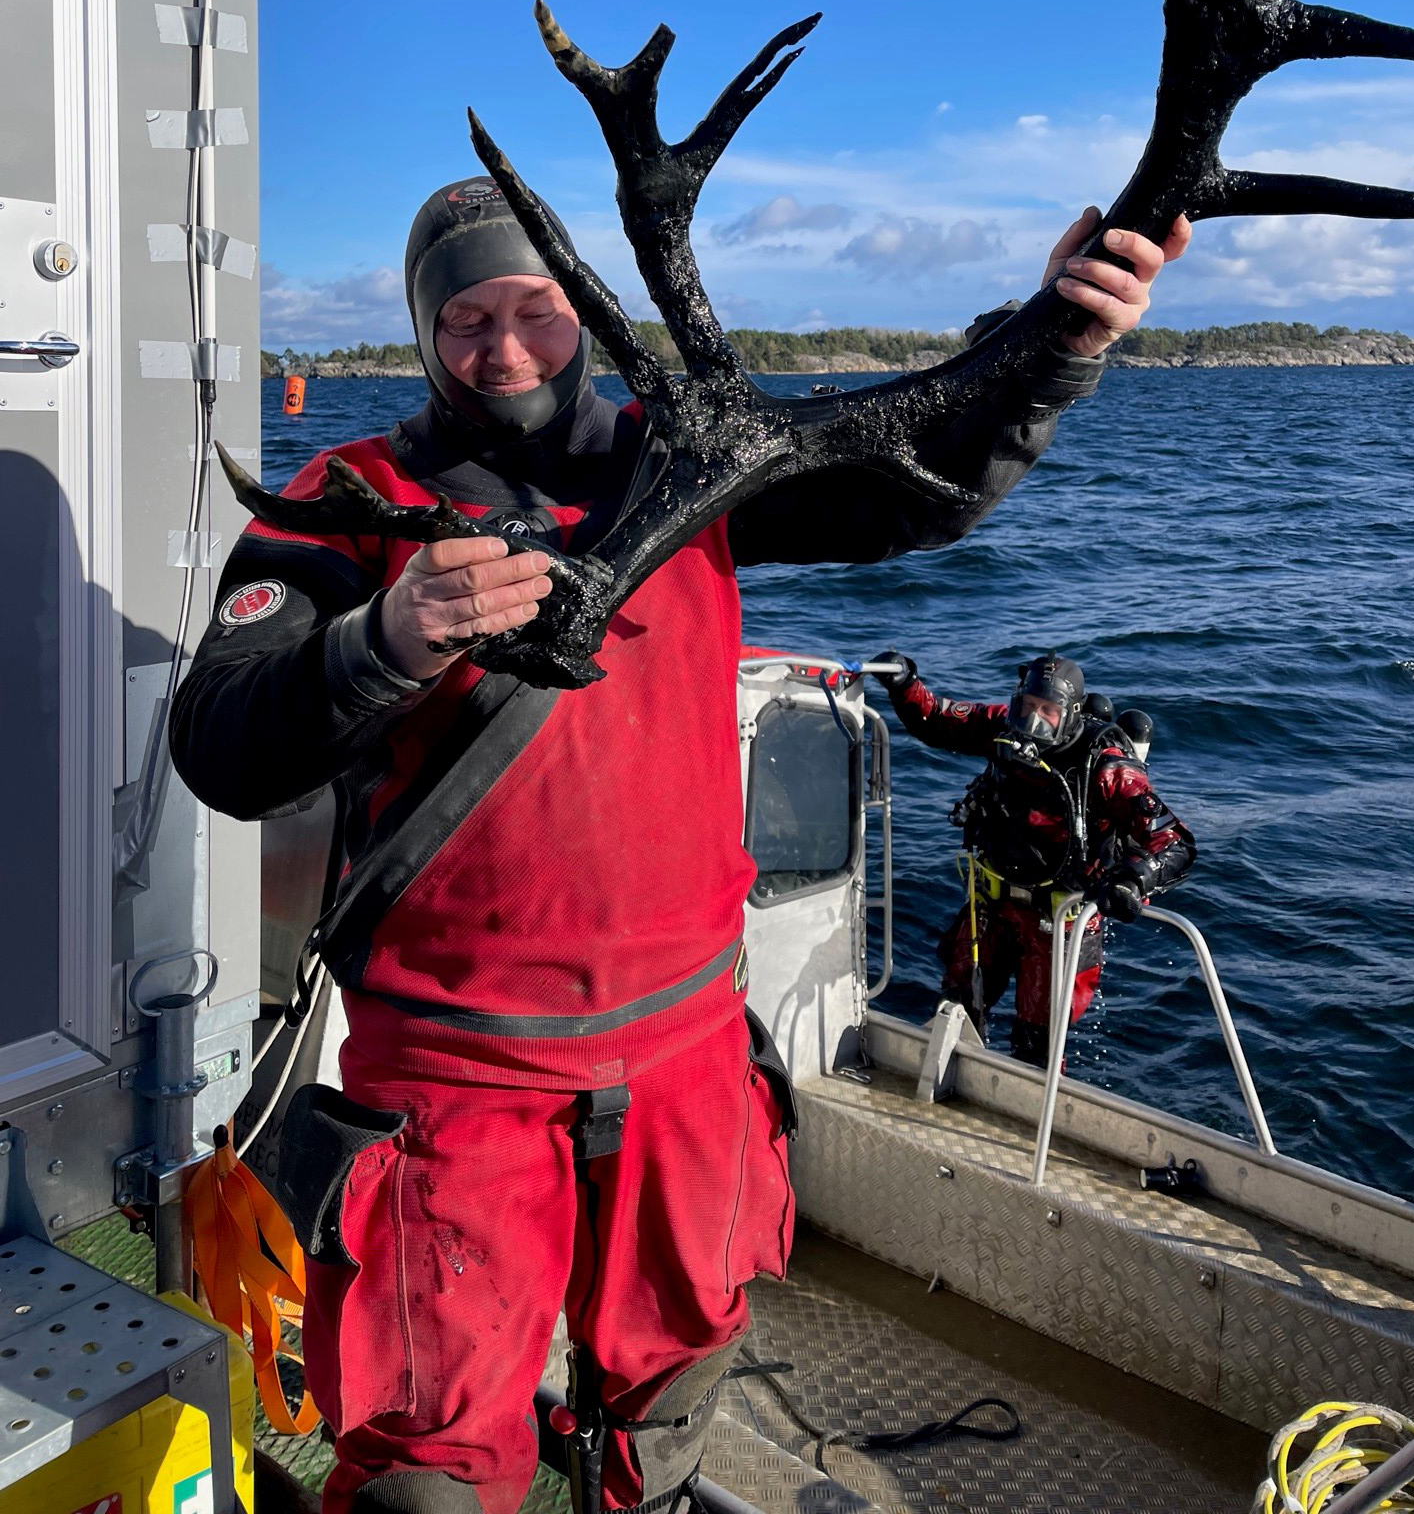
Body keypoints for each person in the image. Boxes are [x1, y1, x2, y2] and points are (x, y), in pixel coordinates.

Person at [170, 175, 1188, 1514]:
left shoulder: (694, 455)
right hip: (452, 1073)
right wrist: (385, 641)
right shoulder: (350, 497)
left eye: (535, 308)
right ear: (422, 332)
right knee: (431, 1453)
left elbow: (914, 482)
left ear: (584, 310)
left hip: (689, 1049)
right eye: (466, 318)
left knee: (675, 1387)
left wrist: (1058, 340)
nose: (507, 347)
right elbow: (220, 739)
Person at [875, 651, 1196, 1065]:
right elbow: (936, 720)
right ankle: (947, 1086)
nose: (1033, 721)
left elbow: (1176, 842)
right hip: (990, 905)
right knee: (955, 1009)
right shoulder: (1003, 730)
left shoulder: (1104, 768)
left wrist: (1132, 880)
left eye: (1047, 711)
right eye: (1027, 707)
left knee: (1036, 1046)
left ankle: (1030, 1121)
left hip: (1057, 923)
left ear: (1072, 714)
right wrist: (904, 683)